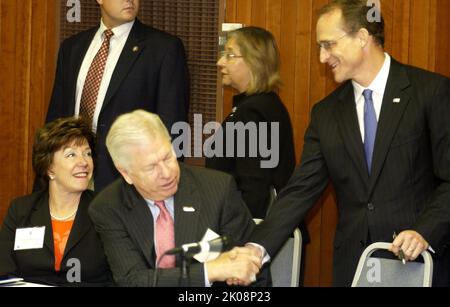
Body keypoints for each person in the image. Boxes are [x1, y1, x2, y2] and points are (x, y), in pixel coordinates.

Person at [243, 0, 450, 286]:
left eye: (328, 45)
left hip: (420, 265)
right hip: (353, 268)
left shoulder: (430, 92)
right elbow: (300, 190)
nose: (321, 57)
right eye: (319, 46)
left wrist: (423, 231)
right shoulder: (326, 113)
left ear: (362, 37)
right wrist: (256, 248)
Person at [88, 110, 267, 287]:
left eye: (167, 157)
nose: (167, 173)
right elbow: (132, 280)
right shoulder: (108, 207)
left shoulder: (218, 189)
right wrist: (210, 271)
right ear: (125, 173)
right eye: (151, 168)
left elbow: (254, 270)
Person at [45, 0, 189, 192]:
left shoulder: (163, 49)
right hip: (71, 181)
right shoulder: (72, 48)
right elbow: (56, 119)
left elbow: (171, 125)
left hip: (128, 185)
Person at [0, 117, 112, 286]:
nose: (83, 162)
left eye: (87, 153)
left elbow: (120, 277)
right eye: (71, 154)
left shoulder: (106, 210)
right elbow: (4, 273)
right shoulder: (21, 209)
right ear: (49, 167)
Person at [206, 27, 296, 219]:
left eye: (230, 55)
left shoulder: (253, 112)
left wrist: (241, 242)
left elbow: (254, 190)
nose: (220, 62)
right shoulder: (261, 105)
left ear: (255, 62)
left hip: (252, 233)